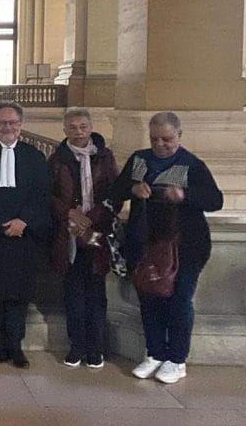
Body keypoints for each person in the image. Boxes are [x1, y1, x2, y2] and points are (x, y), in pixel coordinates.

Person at [110, 111, 223, 384]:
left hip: (185, 247)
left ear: (179, 136)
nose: (160, 144)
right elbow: (117, 190)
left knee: (179, 300)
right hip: (146, 244)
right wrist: (133, 189)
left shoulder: (191, 165)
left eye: (167, 139)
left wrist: (184, 195)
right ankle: (155, 352)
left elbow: (215, 200)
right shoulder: (140, 160)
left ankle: (177, 358)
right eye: (154, 139)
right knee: (149, 298)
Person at [0, 100, 51, 369]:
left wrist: (23, 221)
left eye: (13, 122)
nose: (8, 127)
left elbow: (41, 195)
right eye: (2, 122)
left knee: (20, 293)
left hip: (24, 236)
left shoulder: (34, 157)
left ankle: (15, 344)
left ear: (21, 125)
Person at [48, 108, 118, 369]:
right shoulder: (56, 160)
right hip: (68, 234)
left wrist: (92, 217)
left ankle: (95, 349)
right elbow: (48, 195)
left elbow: (114, 192)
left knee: (96, 292)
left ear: (91, 127)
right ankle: (76, 346)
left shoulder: (105, 157)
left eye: (83, 126)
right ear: (65, 130)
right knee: (73, 292)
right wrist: (70, 214)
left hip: (97, 232)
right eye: (73, 127)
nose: (78, 132)